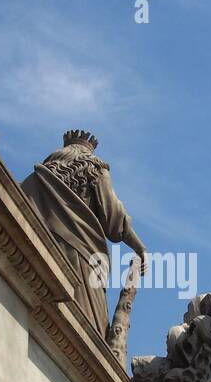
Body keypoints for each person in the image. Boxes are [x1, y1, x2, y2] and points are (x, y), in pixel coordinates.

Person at [21, 132, 147, 338]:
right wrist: (139, 247)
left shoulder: (36, 179)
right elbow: (114, 219)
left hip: (41, 254)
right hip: (84, 257)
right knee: (89, 331)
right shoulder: (95, 168)